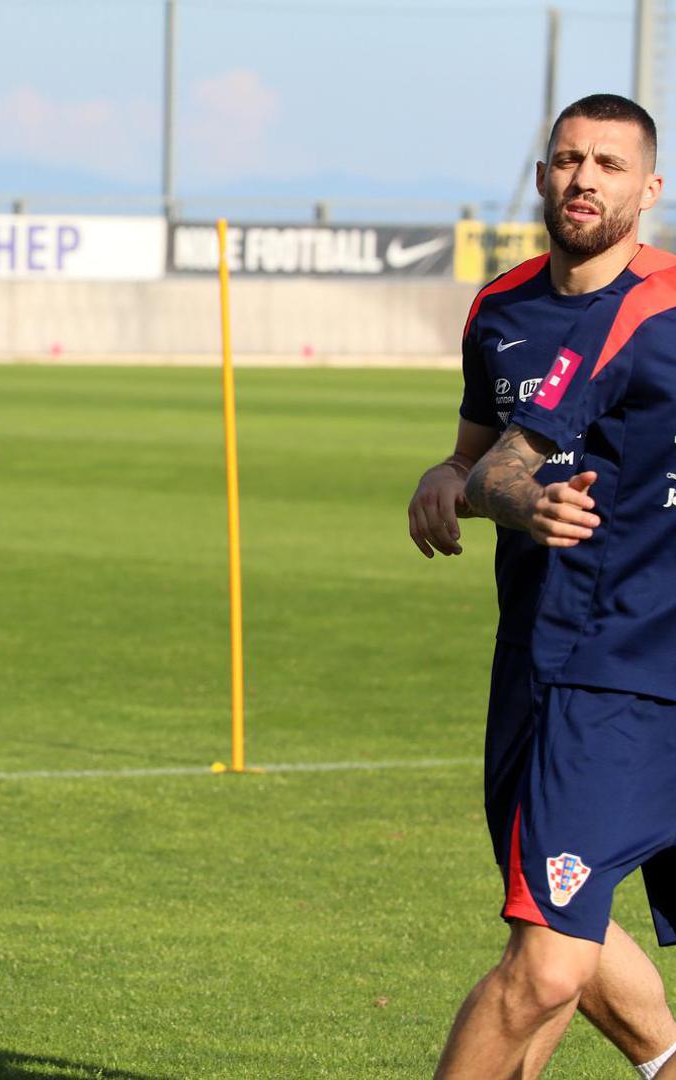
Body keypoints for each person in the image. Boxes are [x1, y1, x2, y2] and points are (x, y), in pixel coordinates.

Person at [411, 94, 676, 1079]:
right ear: (541, 176)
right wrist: (457, 484)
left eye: (609, 164)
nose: (583, 179)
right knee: (553, 944)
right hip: (563, 660)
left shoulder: (652, 303)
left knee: (553, 950)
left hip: (630, 670)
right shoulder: (508, 309)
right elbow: (482, 462)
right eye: (569, 160)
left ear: (650, 188)